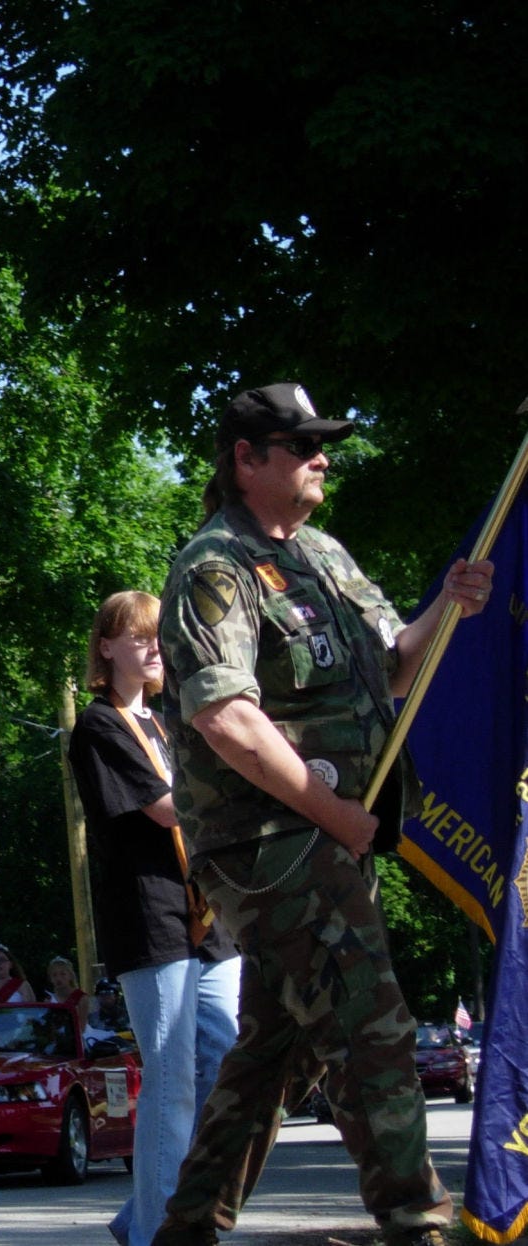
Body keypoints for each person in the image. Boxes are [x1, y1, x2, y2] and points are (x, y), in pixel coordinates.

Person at [151, 382, 493, 1246]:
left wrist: (450, 606)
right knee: (369, 1033)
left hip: (325, 844)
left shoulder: (325, 557)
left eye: (321, 444)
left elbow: (395, 672)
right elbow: (224, 718)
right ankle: (419, 1223)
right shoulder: (214, 566)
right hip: (276, 848)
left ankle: (186, 1228)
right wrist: (336, 816)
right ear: (246, 459)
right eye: (300, 446)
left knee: (274, 1051)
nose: (321, 458)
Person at [68, 590, 241, 1246]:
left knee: (228, 1059)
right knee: (169, 1075)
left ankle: (143, 1216)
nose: (152, 647)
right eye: (138, 636)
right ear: (106, 647)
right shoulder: (100, 725)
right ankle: (161, 1233)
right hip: (151, 918)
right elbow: (169, 809)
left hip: (209, 913)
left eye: (158, 637)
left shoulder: (172, 723)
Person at [42, 957, 91, 1028]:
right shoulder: (49, 1000)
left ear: (70, 976)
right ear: (51, 979)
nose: (58, 978)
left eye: (63, 974)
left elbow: (82, 1027)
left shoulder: (81, 998)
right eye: (54, 975)